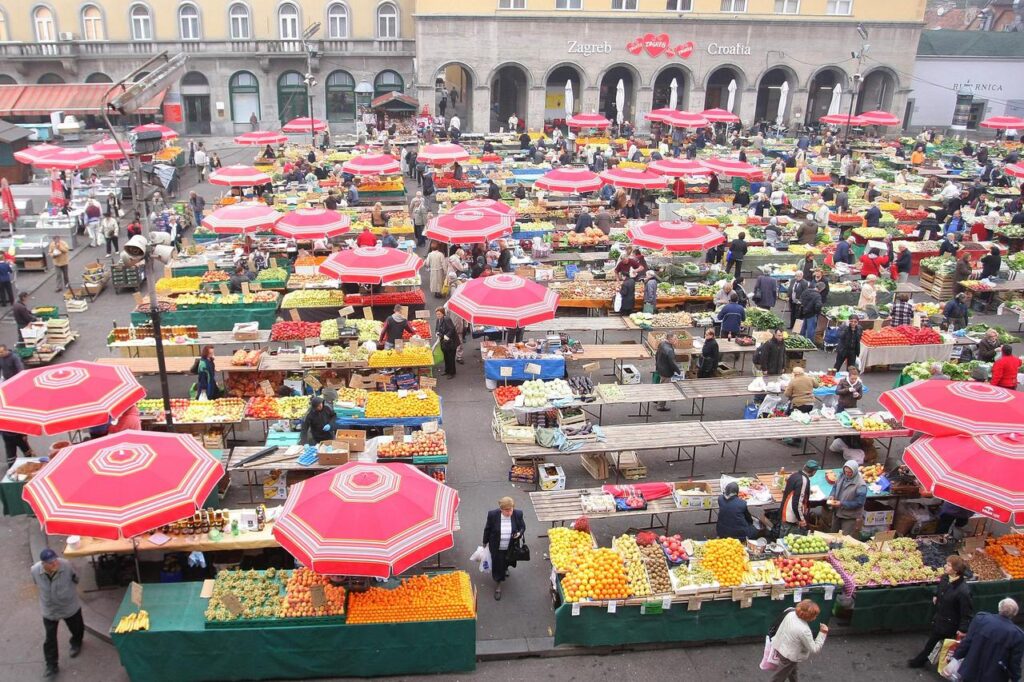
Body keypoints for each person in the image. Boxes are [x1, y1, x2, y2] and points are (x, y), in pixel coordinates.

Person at [908, 555, 974, 668]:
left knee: (938, 642)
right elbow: (940, 588)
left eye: (948, 565)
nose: (945, 566)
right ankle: (927, 660)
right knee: (936, 641)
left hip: (950, 622)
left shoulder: (963, 591)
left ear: (956, 570)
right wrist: (935, 594)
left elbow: (966, 612)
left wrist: (963, 629)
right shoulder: (945, 578)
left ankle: (922, 661)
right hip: (941, 617)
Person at [32, 548, 83, 678]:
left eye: (55, 560)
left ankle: (76, 642)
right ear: (43, 564)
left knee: (77, 628)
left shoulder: (66, 565)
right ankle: (51, 665)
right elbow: (36, 583)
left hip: (68, 605)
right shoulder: (35, 570)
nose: (55, 564)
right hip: (50, 609)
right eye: (50, 563)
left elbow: (76, 578)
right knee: (50, 639)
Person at [952, 598, 1024, 682]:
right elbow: (1014, 662)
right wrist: (1015, 678)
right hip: (994, 677)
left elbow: (967, 642)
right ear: (1014, 613)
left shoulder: (980, 620)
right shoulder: (1017, 635)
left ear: (999, 607)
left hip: (971, 670)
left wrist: (955, 657)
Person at [770, 599, 829, 682]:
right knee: (778, 677)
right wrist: (823, 633)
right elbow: (814, 649)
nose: (816, 618)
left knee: (792, 670)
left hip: (780, 646)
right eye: (815, 616)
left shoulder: (790, 613)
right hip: (789, 656)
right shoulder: (804, 630)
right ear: (809, 616)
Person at [482, 497, 525, 600]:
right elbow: (487, 529)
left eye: (511, 510)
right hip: (497, 546)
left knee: (507, 560)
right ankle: (498, 583)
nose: (510, 512)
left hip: (510, 546)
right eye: (507, 510)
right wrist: (485, 542)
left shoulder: (518, 514)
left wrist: (519, 533)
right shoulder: (493, 515)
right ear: (501, 509)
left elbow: (522, 527)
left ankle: (505, 568)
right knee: (497, 564)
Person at [779, 461, 819, 537]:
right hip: (791, 517)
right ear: (814, 472)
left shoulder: (794, 475)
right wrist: (801, 519)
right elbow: (797, 503)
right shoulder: (803, 481)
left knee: (783, 538)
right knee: (790, 540)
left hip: (785, 512)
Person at [826, 460, 866, 534]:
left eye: (850, 472)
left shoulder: (861, 485)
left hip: (849, 516)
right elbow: (835, 486)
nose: (847, 474)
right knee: (833, 535)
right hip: (837, 512)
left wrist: (842, 503)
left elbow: (859, 503)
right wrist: (832, 495)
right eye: (846, 471)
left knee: (845, 538)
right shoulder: (842, 476)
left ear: (855, 471)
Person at [654, 332, 681, 411]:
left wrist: (657, 365)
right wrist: (678, 371)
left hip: (660, 368)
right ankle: (660, 405)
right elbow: (672, 362)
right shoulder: (669, 350)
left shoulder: (662, 344)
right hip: (666, 371)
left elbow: (656, 355)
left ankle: (657, 399)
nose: (676, 340)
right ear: (671, 339)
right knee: (664, 388)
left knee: (661, 384)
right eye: (675, 339)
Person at [435, 307, 458, 379]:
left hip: (451, 342)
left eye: (439, 314)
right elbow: (436, 329)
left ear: (443, 313)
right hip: (444, 342)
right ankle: (447, 370)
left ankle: (452, 372)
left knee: (451, 357)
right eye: (437, 314)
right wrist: (437, 333)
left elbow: (452, 329)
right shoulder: (438, 320)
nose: (438, 315)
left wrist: (446, 336)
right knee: (446, 356)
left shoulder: (447, 319)